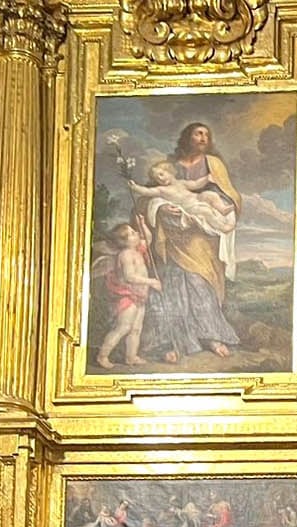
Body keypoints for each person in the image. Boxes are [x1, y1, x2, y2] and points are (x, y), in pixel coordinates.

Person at [145, 120, 242, 360]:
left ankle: (211, 336)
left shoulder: (213, 164)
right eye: (198, 133)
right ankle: (177, 340)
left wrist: (212, 206)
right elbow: (149, 198)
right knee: (175, 284)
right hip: (175, 236)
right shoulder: (169, 168)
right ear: (188, 136)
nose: (202, 138)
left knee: (201, 283)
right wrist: (162, 209)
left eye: (206, 134)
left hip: (202, 236)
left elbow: (227, 193)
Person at [96, 222, 161, 369]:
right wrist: (151, 281)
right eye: (132, 233)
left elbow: (148, 237)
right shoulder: (125, 255)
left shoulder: (138, 250)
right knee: (124, 327)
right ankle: (102, 356)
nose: (136, 233)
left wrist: (142, 223)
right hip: (128, 295)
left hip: (140, 295)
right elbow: (129, 277)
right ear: (123, 241)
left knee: (136, 328)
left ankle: (131, 357)